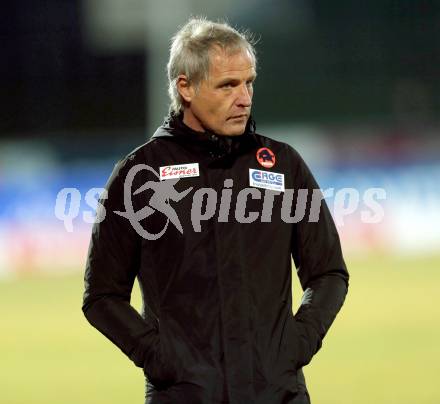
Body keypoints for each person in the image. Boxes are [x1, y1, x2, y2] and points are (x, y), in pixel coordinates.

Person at [82, 17, 349, 404]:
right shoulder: (140, 176)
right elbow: (102, 296)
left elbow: (328, 273)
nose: (244, 97)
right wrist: (161, 359)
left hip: (278, 394)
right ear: (185, 87)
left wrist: (295, 345)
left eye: (248, 82)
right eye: (228, 85)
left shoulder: (282, 165)